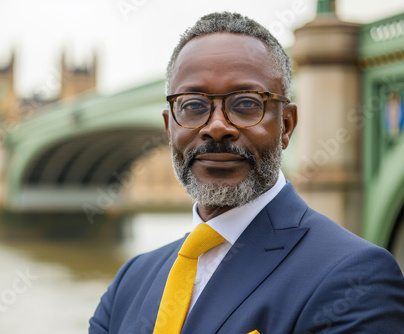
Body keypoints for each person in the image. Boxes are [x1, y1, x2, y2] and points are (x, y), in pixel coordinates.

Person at [89, 12, 404, 334]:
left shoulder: (356, 276)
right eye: (194, 106)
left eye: (246, 103)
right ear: (170, 128)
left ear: (286, 125)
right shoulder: (130, 282)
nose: (216, 127)